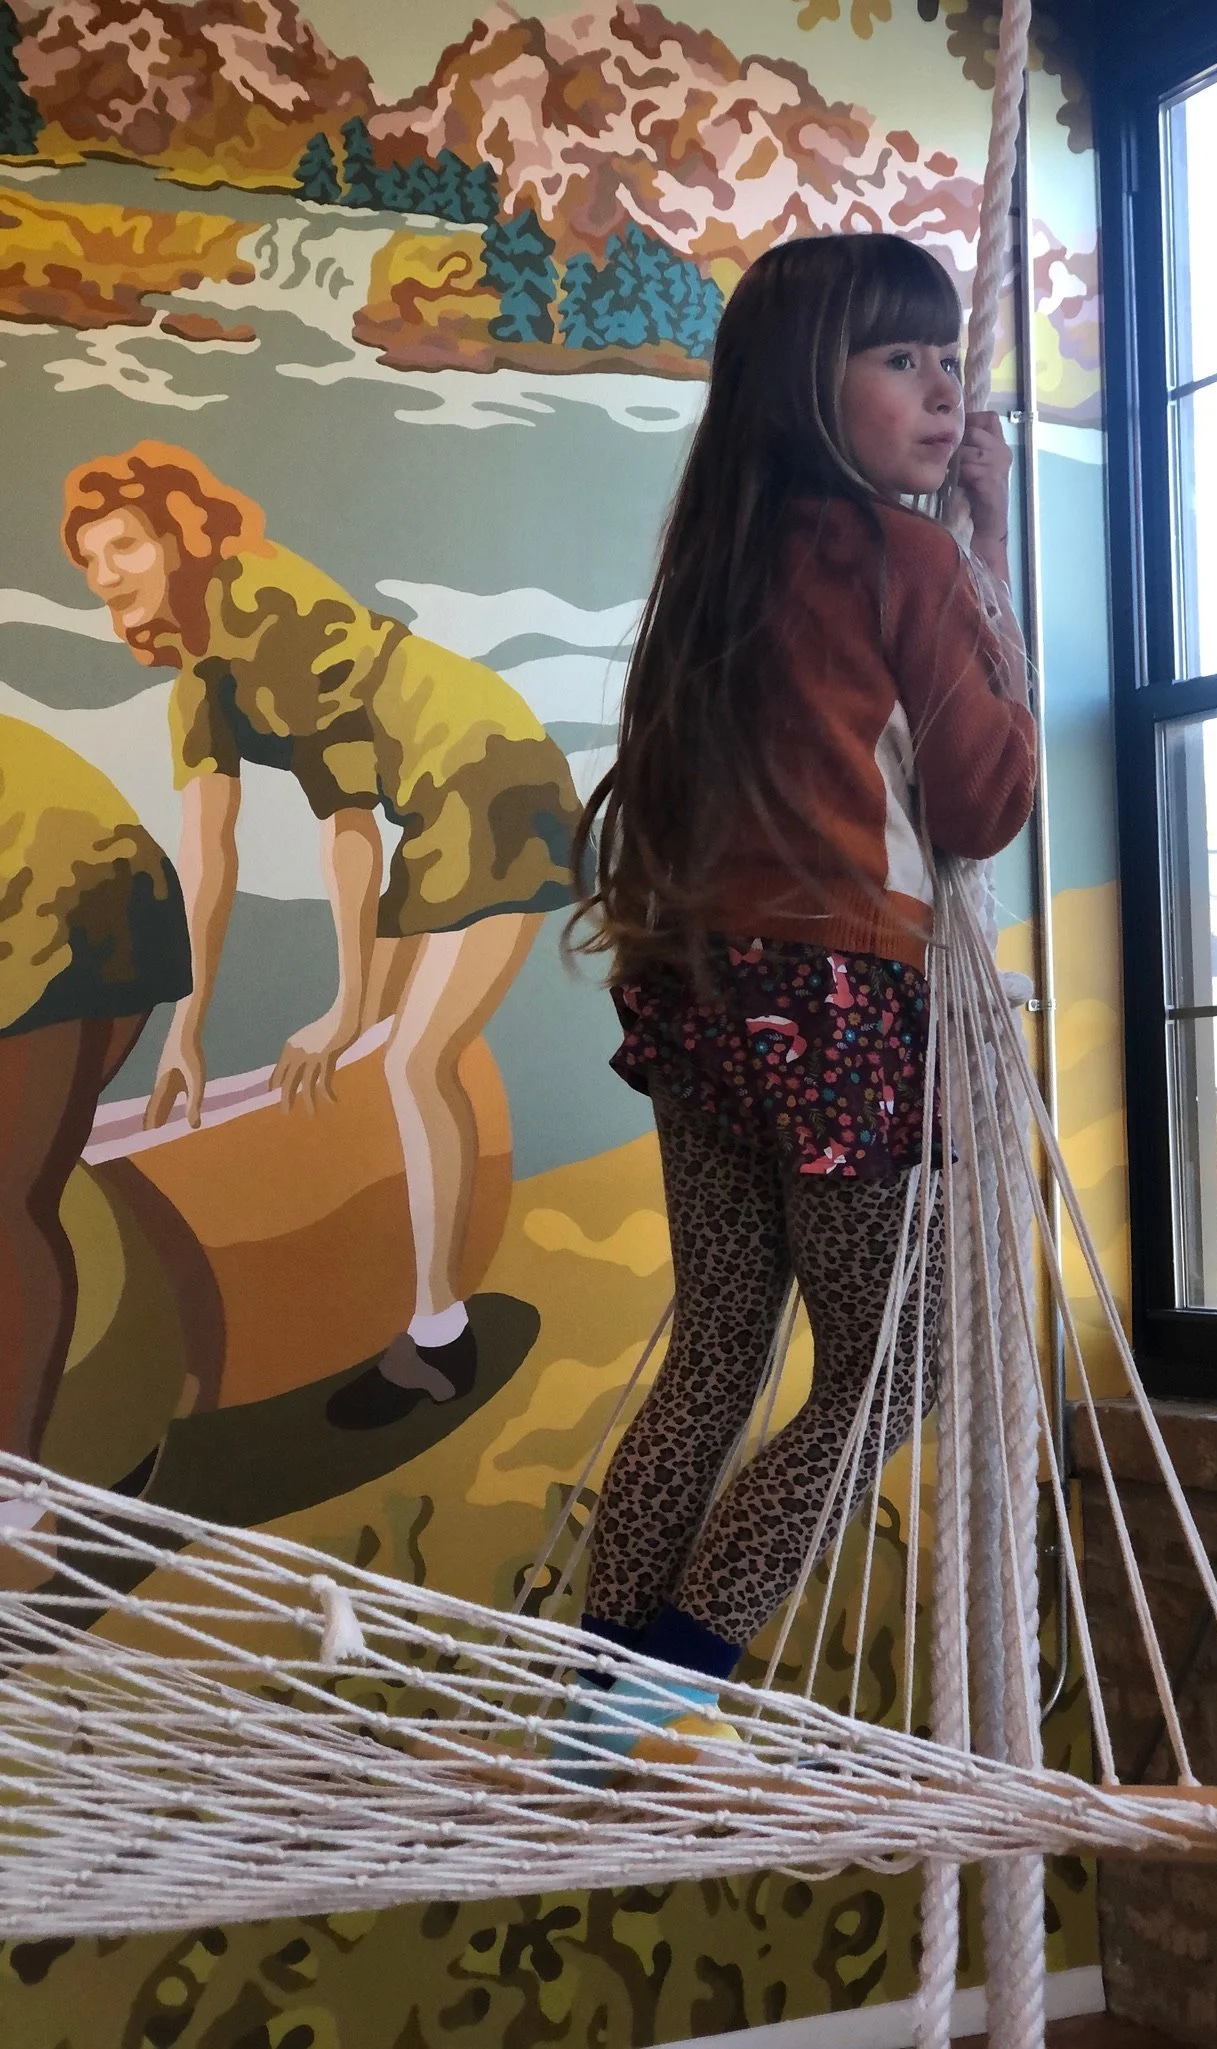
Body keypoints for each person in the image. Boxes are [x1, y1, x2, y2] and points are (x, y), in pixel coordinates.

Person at [563, 232, 1037, 1768]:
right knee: (901, 1362)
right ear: (804, 384)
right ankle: (676, 1671)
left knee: (716, 1343)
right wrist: (987, 557)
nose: (942, 385)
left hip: (697, 986)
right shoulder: (903, 558)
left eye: (946, 355)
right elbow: (981, 804)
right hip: (833, 991)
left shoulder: (707, 571)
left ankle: (592, 1682)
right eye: (899, 357)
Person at [61, 444, 582, 1420]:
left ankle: (437, 1336)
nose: (108, 575)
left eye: (123, 544)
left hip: (492, 774)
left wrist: (345, 1005)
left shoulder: (272, 608)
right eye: (91, 564)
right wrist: (187, 1029)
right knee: (380, 1045)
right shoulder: (195, 683)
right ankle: (369, 1267)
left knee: (410, 1055)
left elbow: (346, 832)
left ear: (177, 535)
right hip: (430, 807)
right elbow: (210, 860)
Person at [0, 715, 192, 1576]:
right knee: (24, 1190)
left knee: (8, 1197)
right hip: (105, 874)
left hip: (56, 887)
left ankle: (12, 1484)